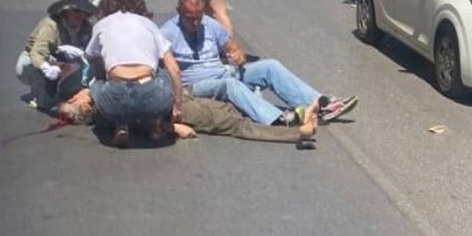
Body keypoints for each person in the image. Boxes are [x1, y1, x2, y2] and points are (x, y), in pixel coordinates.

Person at [159, 0, 358, 126]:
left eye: (198, 17)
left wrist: (239, 54)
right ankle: (278, 119)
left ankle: (320, 105)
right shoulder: (167, 32)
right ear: (179, 12)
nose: (194, 22)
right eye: (189, 17)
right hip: (196, 87)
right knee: (230, 84)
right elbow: (154, 67)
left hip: (223, 72)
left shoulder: (210, 25)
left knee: (270, 66)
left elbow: (232, 45)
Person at [84, 0, 184, 148]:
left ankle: (120, 125)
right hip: (152, 98)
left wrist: (103, 76)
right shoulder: (148, 24)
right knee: (160, 69)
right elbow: (175, 70)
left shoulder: (101, 25)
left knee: (97, 82)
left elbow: (90, 57)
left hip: (114, 100)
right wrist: (177, 106)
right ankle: (155, 125)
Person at [58, 88, 318, 144]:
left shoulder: (102, 95)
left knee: (233, 107)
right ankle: (299, 132)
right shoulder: (105, 110)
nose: (78, 94)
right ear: (79, 103)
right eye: (76, 99)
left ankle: (290, 120)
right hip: (186, 113)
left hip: (184, 100)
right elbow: (140, 121)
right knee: (239, 126)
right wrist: (175, 128)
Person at [15, 0, 96, 112]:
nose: (80, 15)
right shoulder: (51, 25)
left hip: (66, 65)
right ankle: (42, 89)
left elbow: (91, 54)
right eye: (76, 11)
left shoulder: (86, 28)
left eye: (83, 11)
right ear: (65, 10)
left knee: (86, 78)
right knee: (47, 103)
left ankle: (58, 88)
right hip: (38, 63)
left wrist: (82, 54)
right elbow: (37, 53)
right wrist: (46, 68)